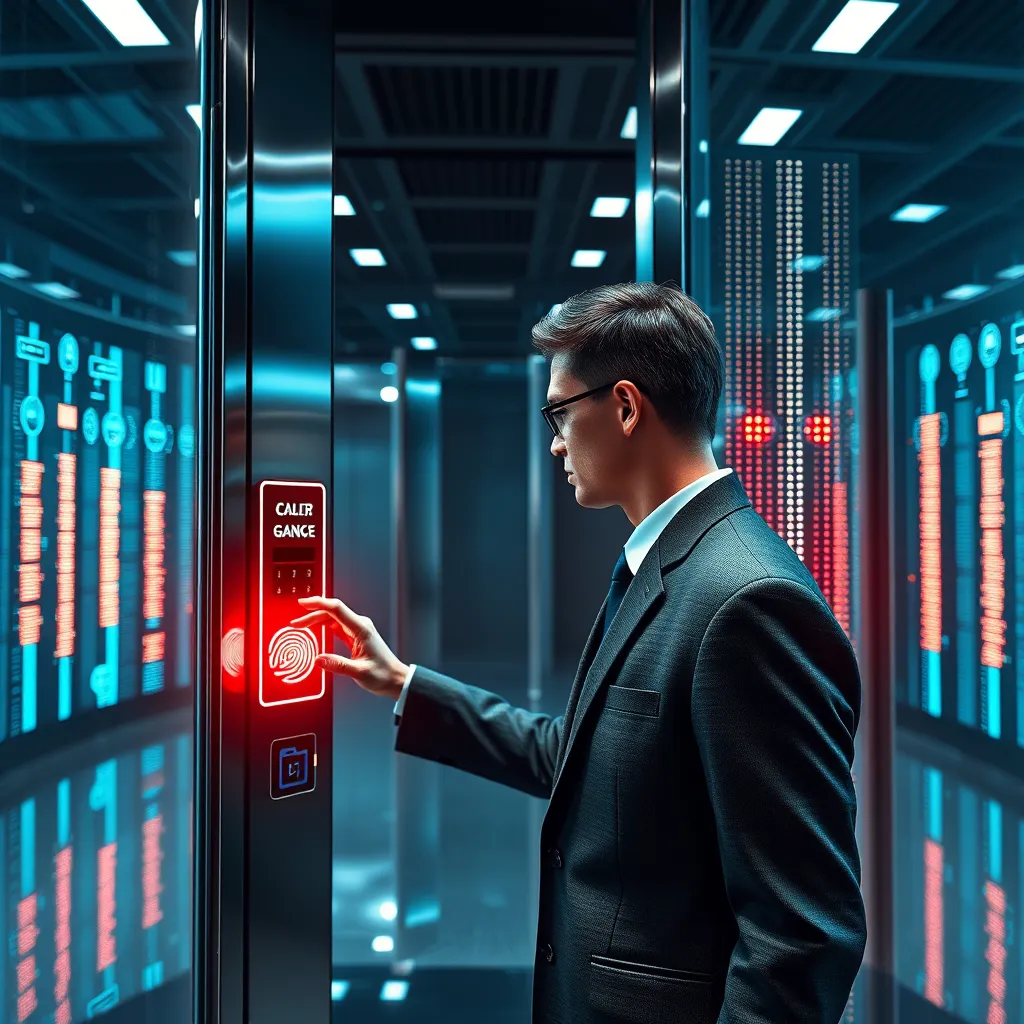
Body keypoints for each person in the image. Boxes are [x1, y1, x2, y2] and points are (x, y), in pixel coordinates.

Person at [293, 281, 867, 1024]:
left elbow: (804, 934)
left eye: (560, 413)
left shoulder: (746, 601)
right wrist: (406, 683)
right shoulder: (667, 565)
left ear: (625, 407)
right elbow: (586, 758)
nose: (556, 441)